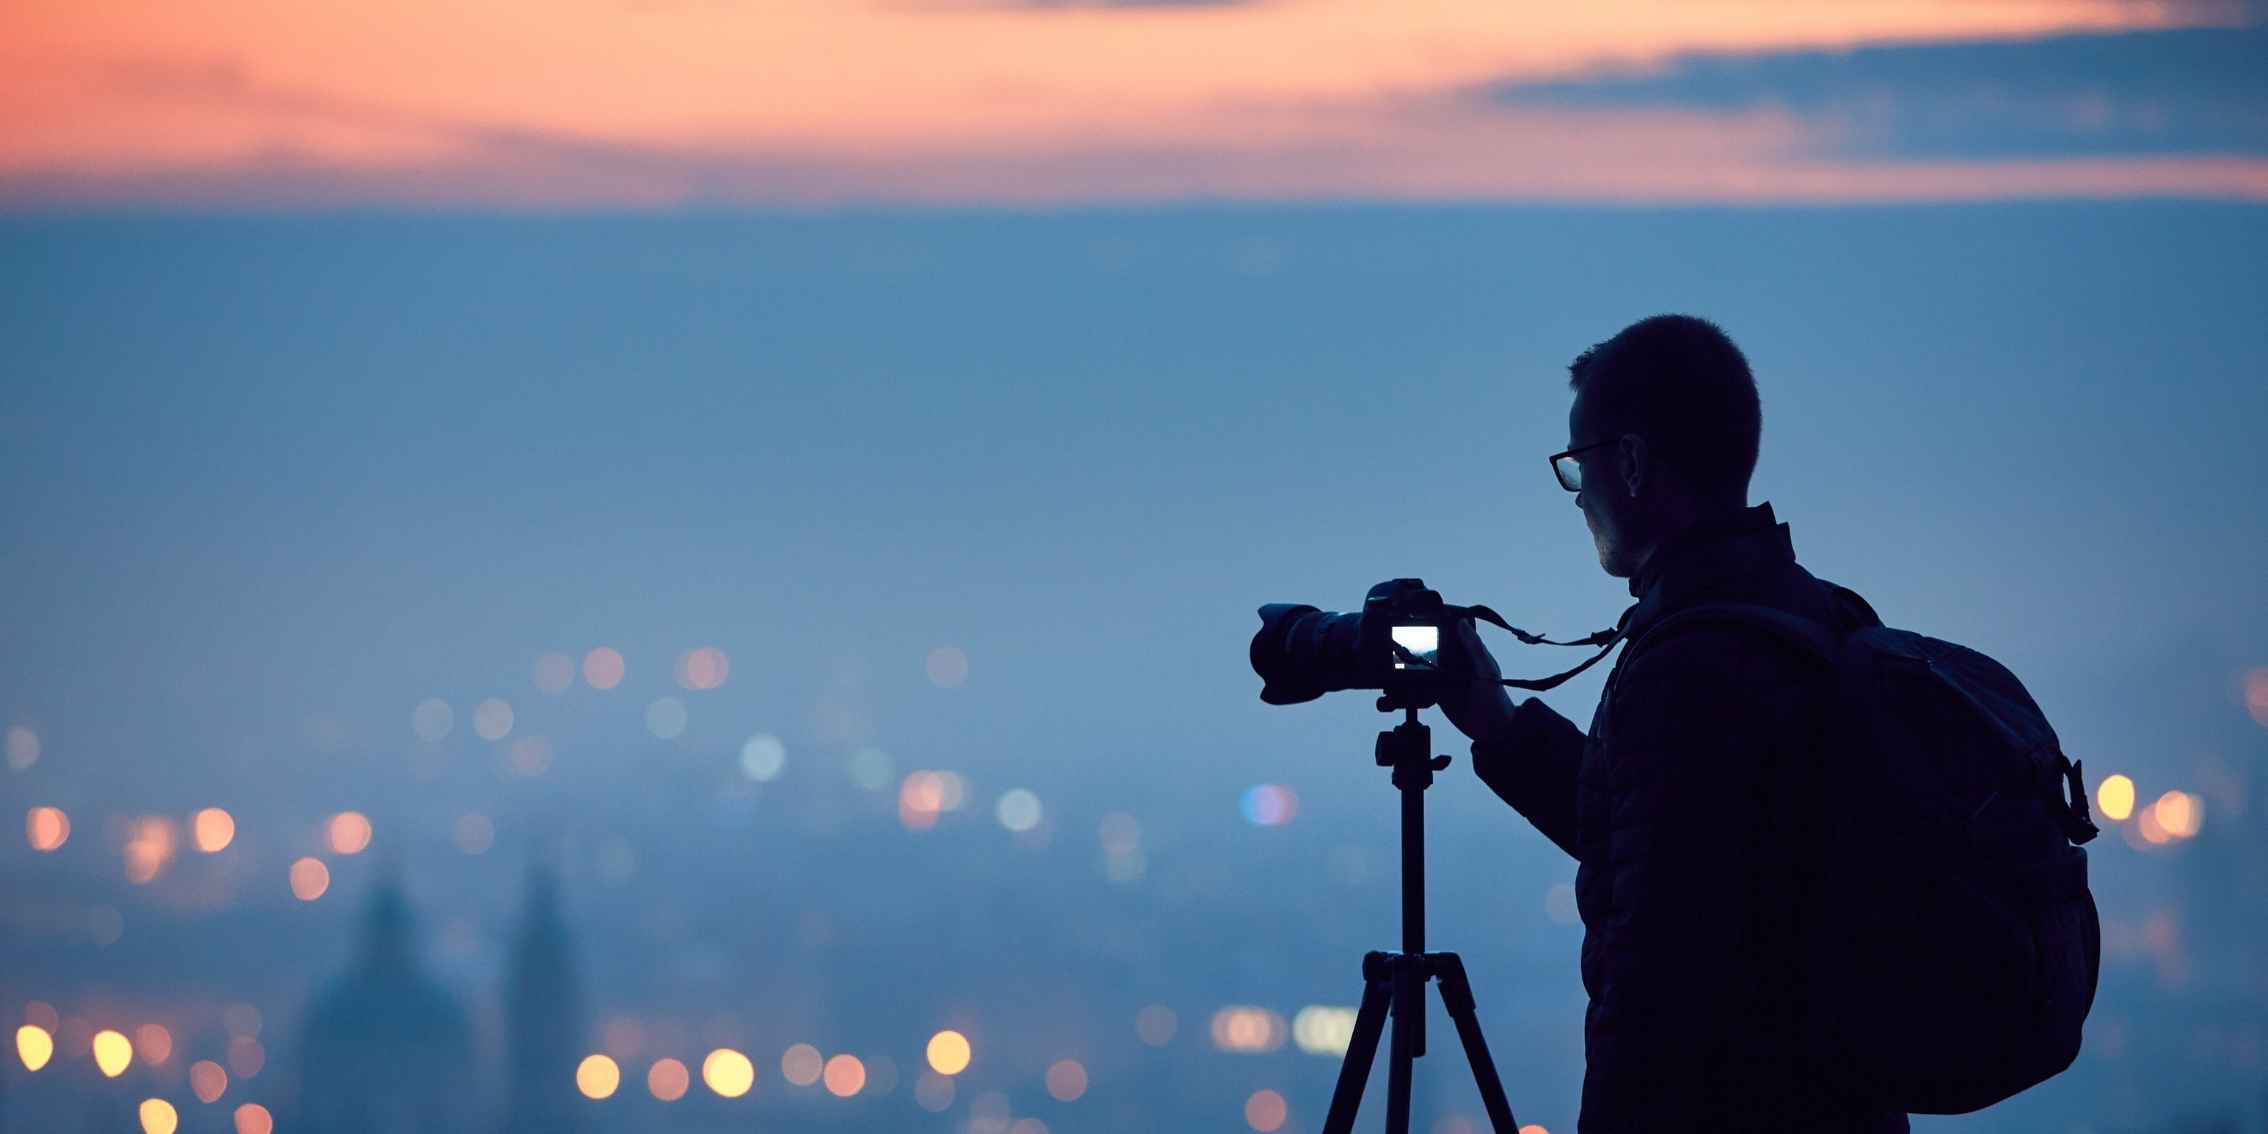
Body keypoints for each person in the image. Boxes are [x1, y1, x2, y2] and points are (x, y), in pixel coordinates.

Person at [1437, 314, 1907, 1133]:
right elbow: (1664, 836)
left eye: (1579, 465)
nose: (1578, 494)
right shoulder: (1823, 618)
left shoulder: (1689, 666)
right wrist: (1497, 726)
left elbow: (1658, 979)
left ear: (1630, 462)